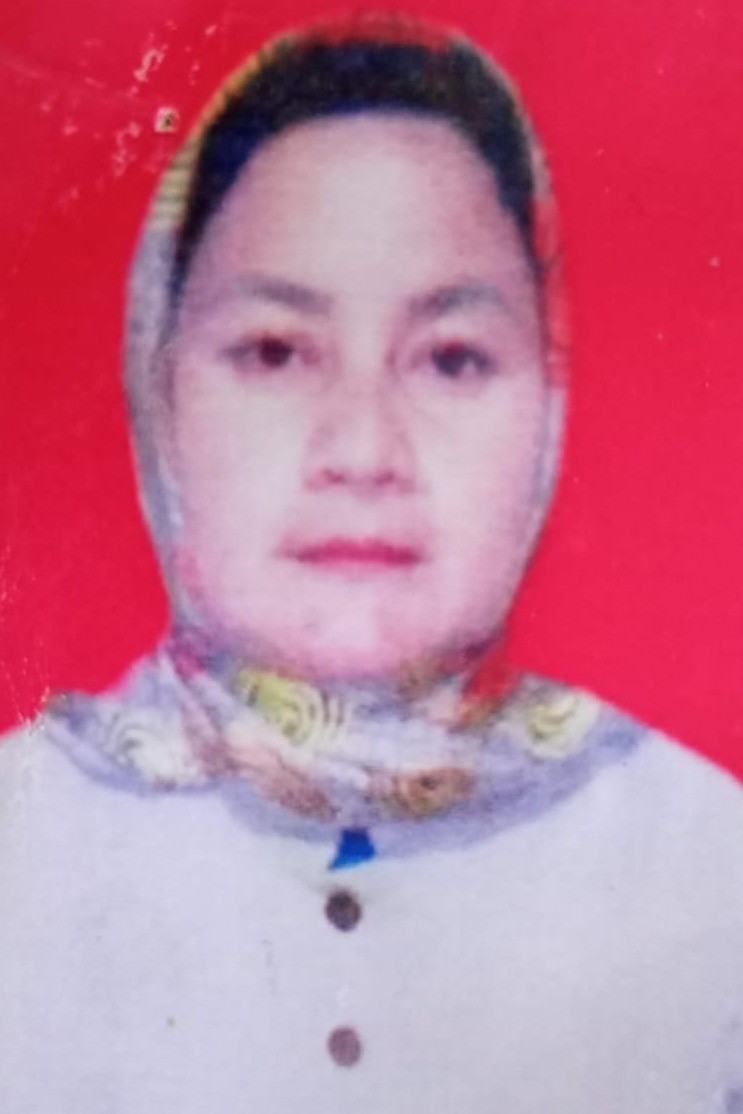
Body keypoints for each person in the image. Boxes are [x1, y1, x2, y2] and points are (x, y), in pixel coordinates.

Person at [1, 14, 742, 1112]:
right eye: (274, 351)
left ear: (547, 402)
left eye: (451, 358)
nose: (361, 449)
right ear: (159, 385)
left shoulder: (708, 875)